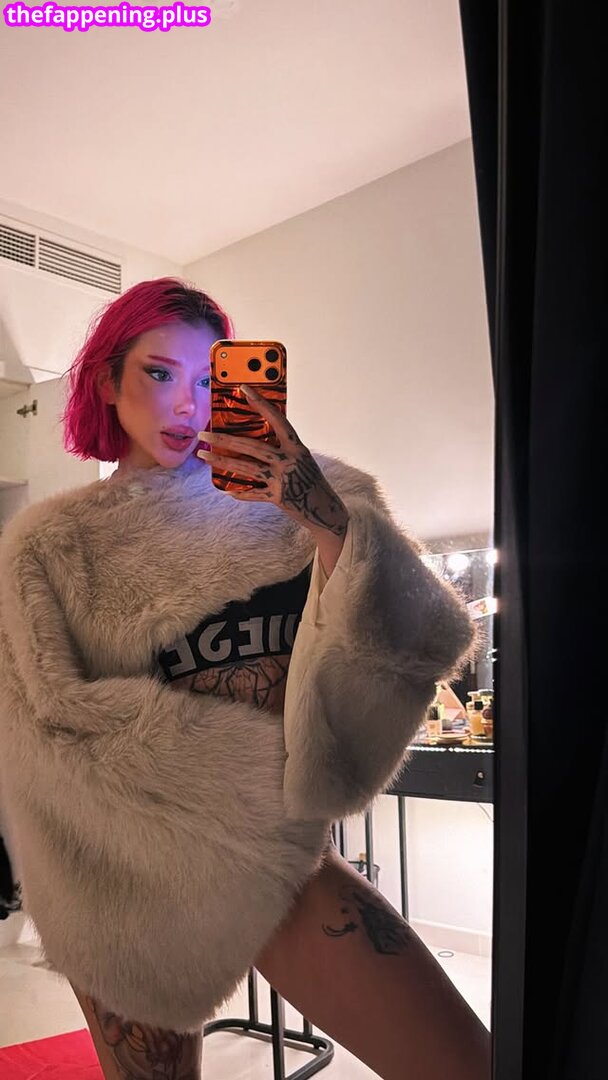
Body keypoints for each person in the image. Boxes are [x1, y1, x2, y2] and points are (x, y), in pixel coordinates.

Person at [0, 278, 491, 1079]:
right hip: (123, 887)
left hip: (284, 869)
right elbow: (46, 737)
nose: (186, 404)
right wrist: (256, 794)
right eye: (159, 373)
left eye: (209, 379)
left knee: (469, 1064)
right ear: (107, 381)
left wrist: (326, 519)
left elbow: (419, 638)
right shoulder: (52, 547)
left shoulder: (304, 501)